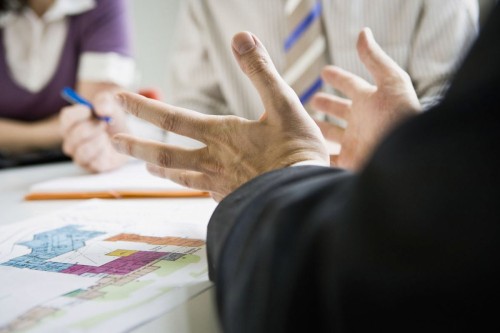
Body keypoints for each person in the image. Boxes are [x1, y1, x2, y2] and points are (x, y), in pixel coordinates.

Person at [110, 2, 500, 330]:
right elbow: (193, 109)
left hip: (323, 224)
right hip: (229, 209)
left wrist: (403, 152)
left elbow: (458, 122)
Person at [63, 0, 479, 173]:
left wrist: (406, 142)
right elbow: (194, 107)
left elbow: (464, 105)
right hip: (260, 203)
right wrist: (121, 134)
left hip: (395, 194)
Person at [0, 0, 134, 171]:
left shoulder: (103, 5)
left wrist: (11, 137)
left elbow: (94, 118)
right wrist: (63, 131)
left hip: (72, 169)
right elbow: (86, 121)